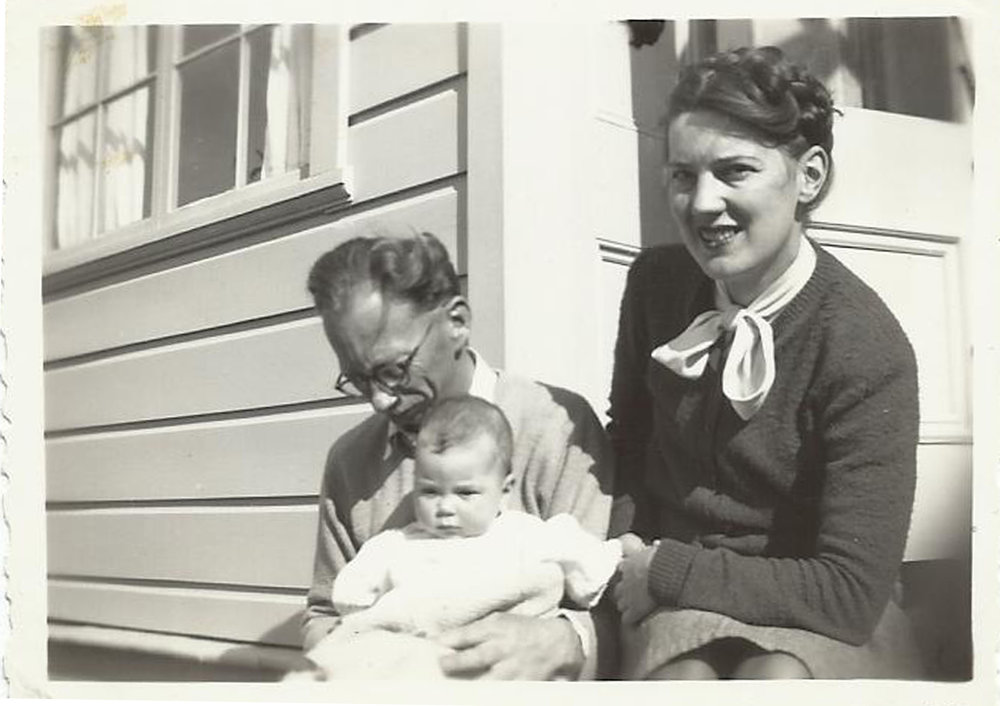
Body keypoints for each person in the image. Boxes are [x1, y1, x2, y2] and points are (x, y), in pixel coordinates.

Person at [608, 46, 923, 679]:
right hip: (673, 589)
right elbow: (630, 441)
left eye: (735, 171)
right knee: (683, 683)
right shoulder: (656, 287)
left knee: (774, 681)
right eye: (681, 175)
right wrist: (630, 552)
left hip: (812, 605)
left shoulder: (862, 343)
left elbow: (849, 593)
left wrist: (670, 570)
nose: (701, 203)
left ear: (808, 175)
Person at [302, 231, 616, 680]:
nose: (380, 402)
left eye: (393, 370)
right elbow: (323, 612)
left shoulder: (555, 426)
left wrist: (570, 639)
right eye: (358, 380)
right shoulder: (351, 461)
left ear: (457, 322)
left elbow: (605, 591)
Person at [299, 396, 622, 680]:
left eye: (465, 493)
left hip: (503, 663)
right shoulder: (396, 544)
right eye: (429, 491)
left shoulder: (526, 533)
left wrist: (618, 554)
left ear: (504, 490)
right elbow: (349, 598)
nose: (445, 508)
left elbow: (590, 567)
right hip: (419, 662)